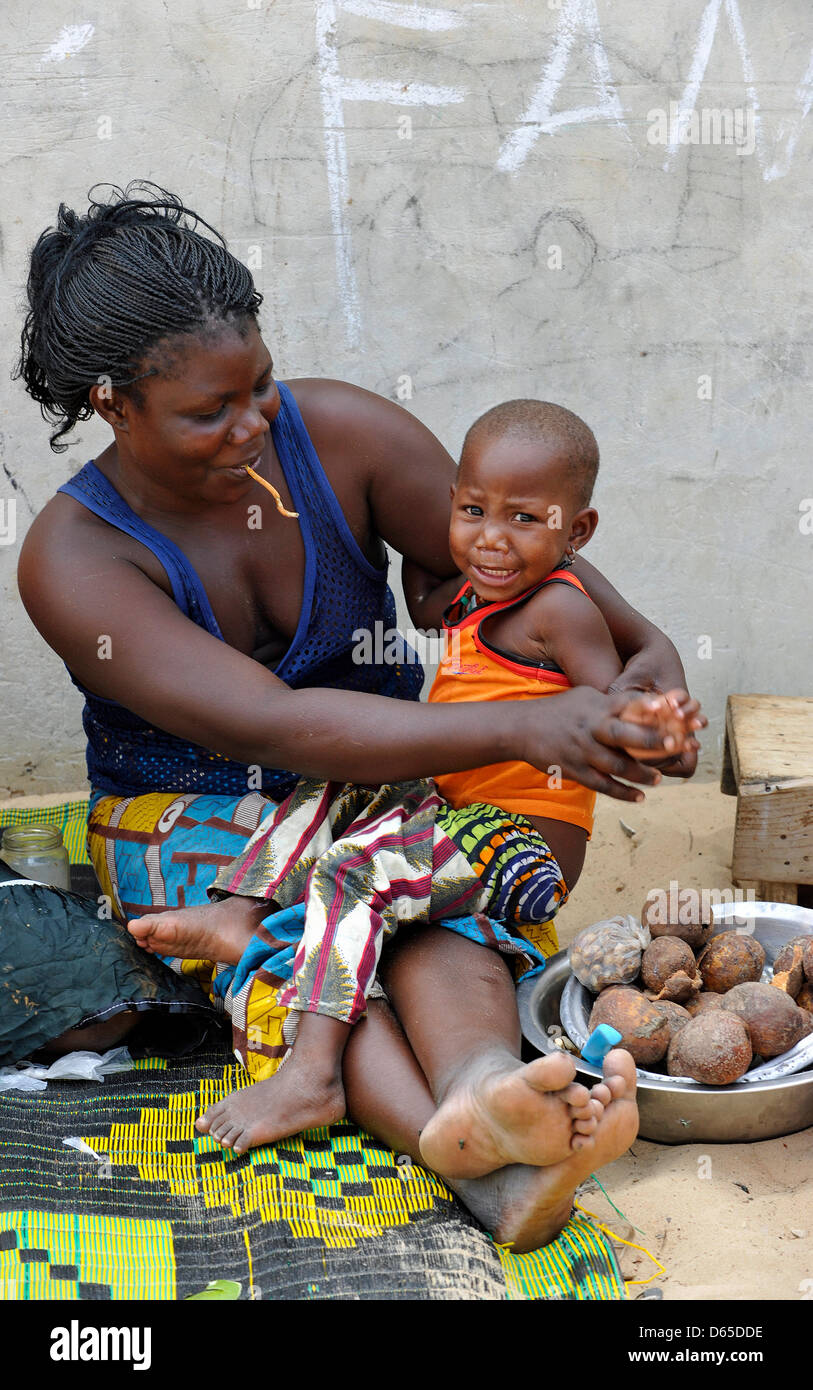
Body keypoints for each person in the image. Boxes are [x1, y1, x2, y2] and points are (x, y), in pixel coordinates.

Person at [16, 183, 703, 1251]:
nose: (254, 423)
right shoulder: (74, 559)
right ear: (113, 404)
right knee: (296, 942)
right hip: (199, 820)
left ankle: (485, 1086)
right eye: (211, 411)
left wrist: (641, 668)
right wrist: (528, 728)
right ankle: (466, 1155)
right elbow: (276, 727)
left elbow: (509, 561)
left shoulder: (339, 434)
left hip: (390, 783)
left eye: (261, 383)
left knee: (433, 899)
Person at [125, 398, 697, 1172]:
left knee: (355, 870)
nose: (490, 539)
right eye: (471, 511)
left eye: (524, 519)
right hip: (458, 813)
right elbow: (432, 603)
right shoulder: (475, 592)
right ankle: (245, 908)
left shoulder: (560, 608)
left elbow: (610, 707)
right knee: (340, 774)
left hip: (523, 846)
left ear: (576, 533)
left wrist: (655, 726)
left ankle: (312, 1071)